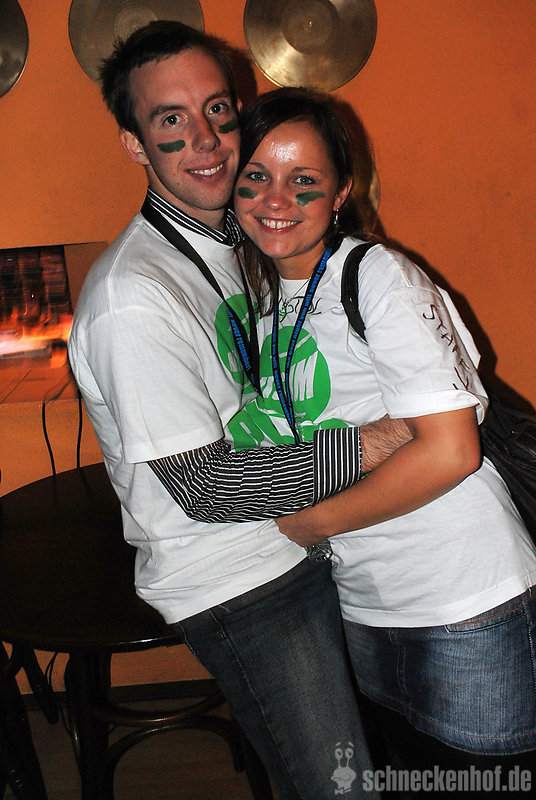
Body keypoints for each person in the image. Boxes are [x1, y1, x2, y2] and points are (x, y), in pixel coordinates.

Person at [67, 21, 415, 800]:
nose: (205, 139)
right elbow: (206, 487)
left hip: (305, 532)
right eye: (171, 119)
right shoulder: (133, 298)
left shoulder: (242, 233)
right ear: (134, 144)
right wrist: (381, 442)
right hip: (241, 579)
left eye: (217, 109)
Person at [231, 86, 536, 795]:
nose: (277, 199)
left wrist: (311, 524)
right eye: (257, 176)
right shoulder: (265, 302)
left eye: (304, 180)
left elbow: (452, 450)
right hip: (366, 602)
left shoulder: (377, 277)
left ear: (341, 192)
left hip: (464, 600)